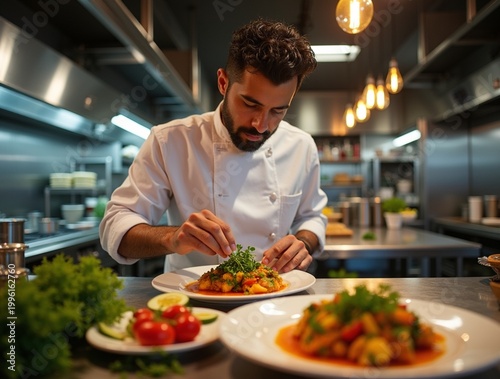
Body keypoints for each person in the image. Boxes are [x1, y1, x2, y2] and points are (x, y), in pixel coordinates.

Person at [100, 19, 327, 274]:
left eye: (278, 111)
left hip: (275, 300)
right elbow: (115, 225)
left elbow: (312, 217)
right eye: (250, 104)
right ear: (223, 83)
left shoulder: (301, 146)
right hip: (193, 303)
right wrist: (172, 238)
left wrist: (304, 241)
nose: (261, 125)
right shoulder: (171, 141)